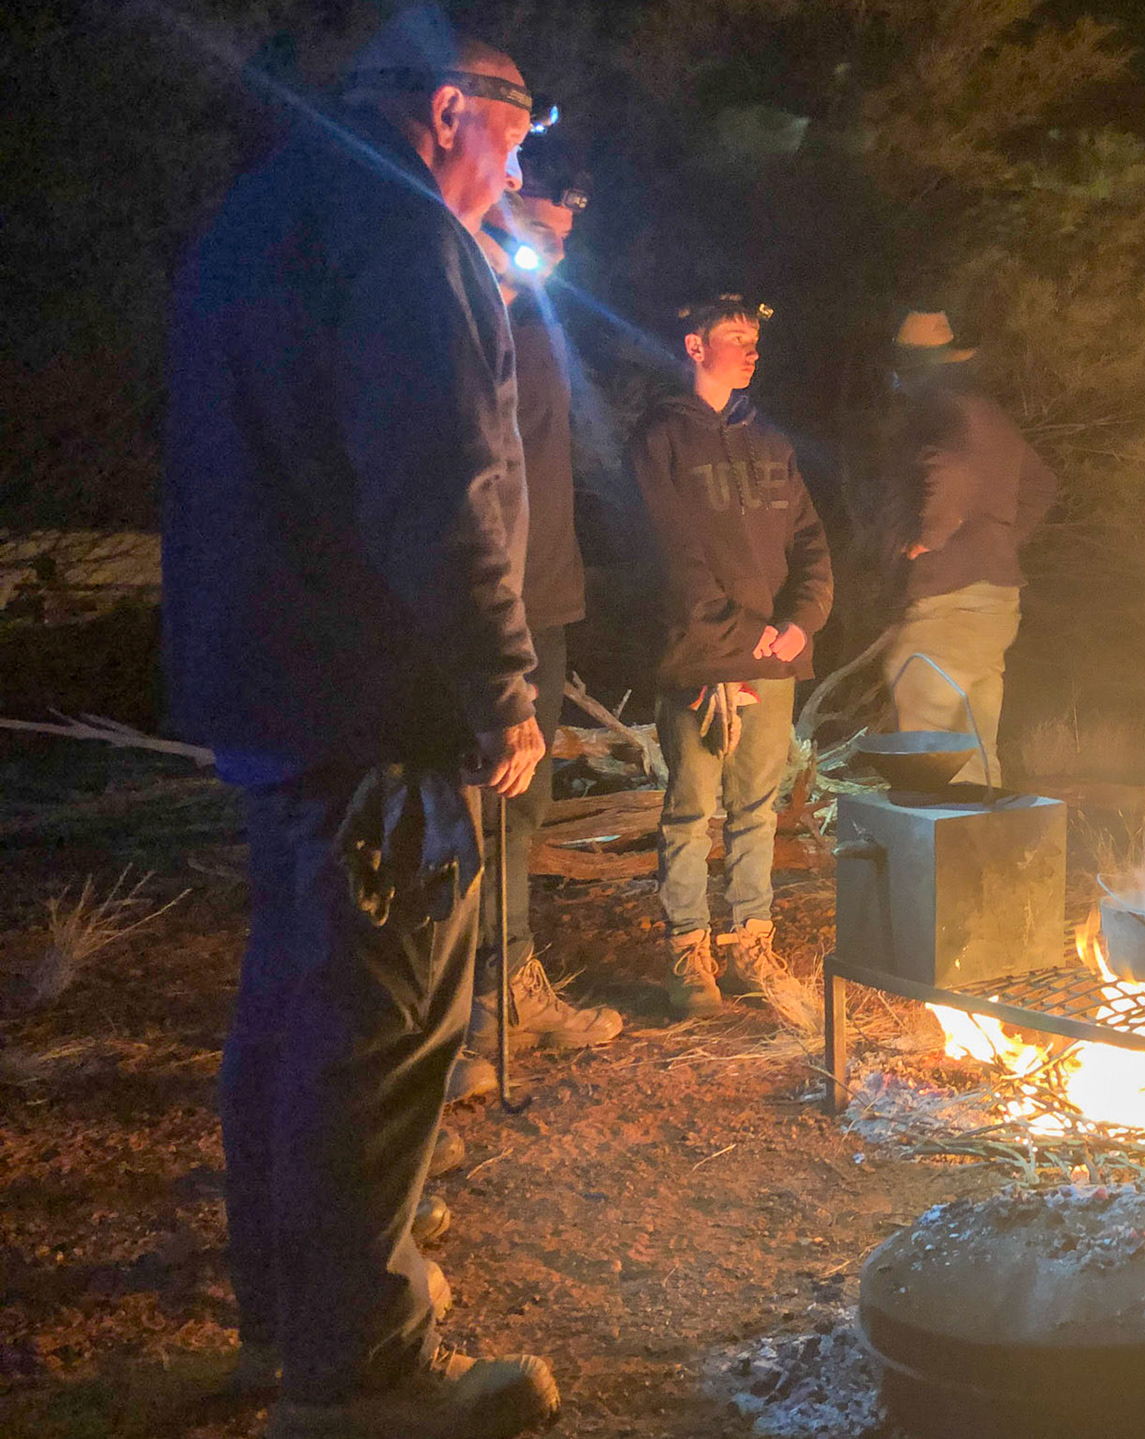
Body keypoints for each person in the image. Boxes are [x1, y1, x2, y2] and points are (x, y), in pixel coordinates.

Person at [162, 10, 560, 1436]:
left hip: (272, 694)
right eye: (521, 128)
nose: (521, 168)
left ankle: (303, 1311)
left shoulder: (259, 218)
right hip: (377, 706)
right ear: (453, 110)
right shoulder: (404, 235)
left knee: (292, 1008)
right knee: (377, 1028)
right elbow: (437, 487)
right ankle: (360, 1379)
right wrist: (501, 690)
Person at [449, 135, 622, 1105]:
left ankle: (510, 988)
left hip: (544, 601)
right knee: (469, 812)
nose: (545, 255)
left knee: (523, 809)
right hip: (481, 612)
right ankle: (454, 1012)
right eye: (532, 233)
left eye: (558, 241)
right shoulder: (454, 317)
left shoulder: (542, 325)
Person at [631, 296, 833, 1017]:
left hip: (773, 653)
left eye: (754, 338)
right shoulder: (662, 436)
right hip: (699, 656)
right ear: (693, 344)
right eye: (734, 337)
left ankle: (750, 942)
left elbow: (810, 540)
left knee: (756, 808)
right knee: (690, 808)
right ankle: (689, 951)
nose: (750, 350)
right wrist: (731, 632)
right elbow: (668, 548)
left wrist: (801, 621)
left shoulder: (769, 439)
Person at [882, 311, 1058, 785]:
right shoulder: (990, 416)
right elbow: (1042, 485)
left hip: (949, 598)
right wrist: (998, 539)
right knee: (975, 749)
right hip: (996, 601)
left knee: (929, 742)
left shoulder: (940, 410)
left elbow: (953, 469)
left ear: (914, 370)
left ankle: (932, 849)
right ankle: (992, 852)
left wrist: (930, 537)